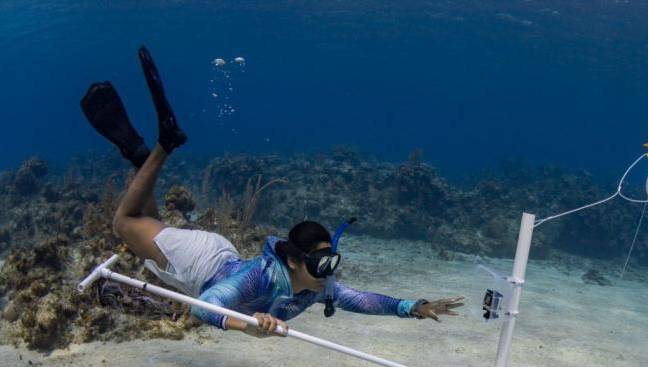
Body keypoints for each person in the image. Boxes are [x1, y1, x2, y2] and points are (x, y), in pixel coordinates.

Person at [80, 46, 464, 337]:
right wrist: (247, 326)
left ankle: (139, 155)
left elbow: (362, 300)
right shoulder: (259, 281)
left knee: (149, 226)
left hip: (211, 259)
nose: (329, 273)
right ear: (295, 262)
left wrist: (413, 307)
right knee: (126, 222)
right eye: (321, 264)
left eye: (331, 262)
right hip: (200, 264)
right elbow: (205, 307)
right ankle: (164, 144)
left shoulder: (313, 289)